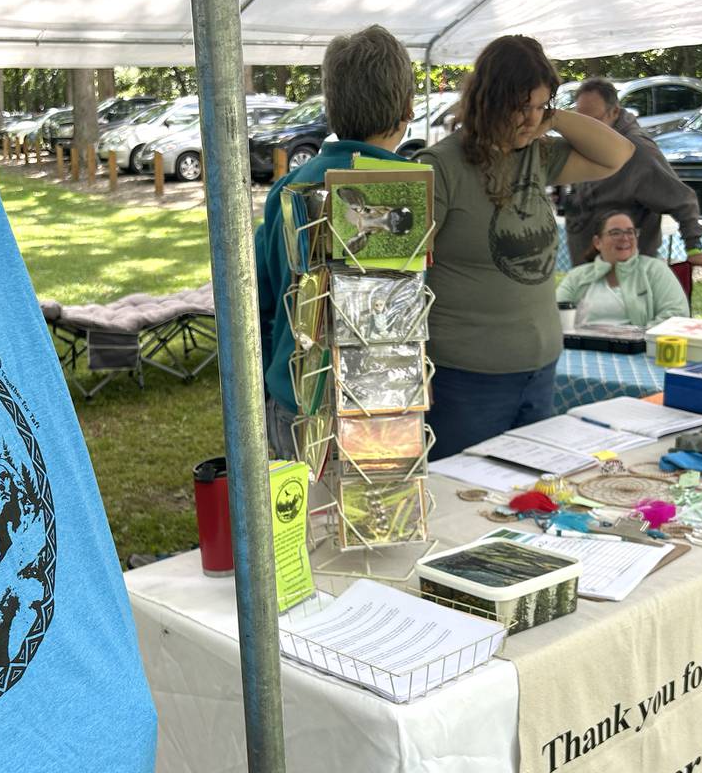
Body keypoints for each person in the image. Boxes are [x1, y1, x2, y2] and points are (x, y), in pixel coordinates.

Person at [414, 36, 634, 459]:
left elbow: (618, 154)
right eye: (521, 106)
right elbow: (402, 276)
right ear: (489, 100)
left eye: (541, 106)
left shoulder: (537, 154)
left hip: (538, 371)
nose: (530, 119)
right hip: (465, 378)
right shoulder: (440, 167)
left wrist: (555, 118)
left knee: (521, 501)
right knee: (462, 505)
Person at [256, 25, 415, 459]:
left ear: (330, 105)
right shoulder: (415, 194)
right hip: (384, 401)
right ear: (408, 107)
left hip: (297, 395)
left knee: (299, 526)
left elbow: (263, 300)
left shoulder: (287, 191)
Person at [563, 77, 702, 272]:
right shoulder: (587, 143)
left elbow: (682, 199)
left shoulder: (637, 151)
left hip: (627, 276)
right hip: (589, 272)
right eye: (580, 120)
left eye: (594, 121)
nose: (585, 128)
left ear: (614, 112)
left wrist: (693, 248)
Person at [557, 210, 690, 328]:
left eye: (630, 232)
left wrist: (638, 337)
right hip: (583, 349)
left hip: (638, 350)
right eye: (615, 233)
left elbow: (676, 317)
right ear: (598, 242)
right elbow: (552, 314)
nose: (625, 238)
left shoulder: (655, 270)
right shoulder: (577, 276)